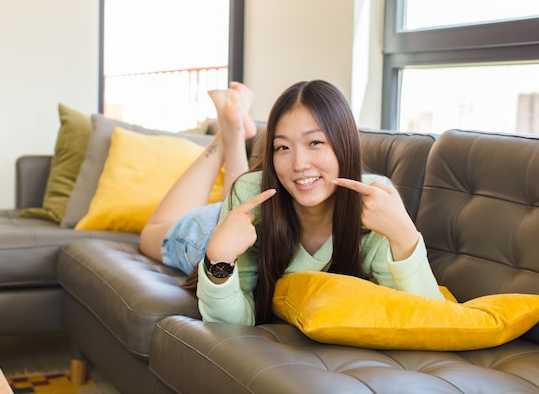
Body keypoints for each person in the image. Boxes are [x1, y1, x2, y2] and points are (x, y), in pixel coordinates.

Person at [140, 79, 444, 326]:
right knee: (149, 234)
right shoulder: (249, 194)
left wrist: (405, 236)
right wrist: (219, 258)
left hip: (246, 218)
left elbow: (433, 319)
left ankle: (233, 130)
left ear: (345, 143)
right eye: (282, 147)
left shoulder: (377, 204)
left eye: (315, 142)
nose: (299, 164)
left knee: (243, 190)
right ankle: (227, 133)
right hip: (214, 236)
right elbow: (229, 323)